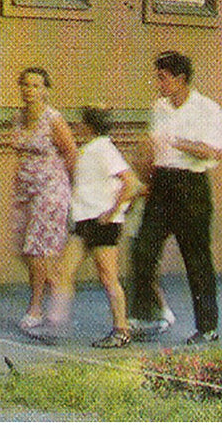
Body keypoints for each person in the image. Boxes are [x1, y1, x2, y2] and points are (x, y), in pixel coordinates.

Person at [128, 50, 222, 344]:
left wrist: (182, 144)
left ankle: (208, 327)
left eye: (163, 78)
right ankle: (147, 315)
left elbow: (219, 150)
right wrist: (143, 180)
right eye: (158, 77)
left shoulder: (207, 109)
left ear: (180, 79)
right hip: (162, 185)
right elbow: (153, 149)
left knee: (197, 259)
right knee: (143, 249)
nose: (159, 83)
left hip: (191, 186)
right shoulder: (159, 108)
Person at [43, 106, 144, 348]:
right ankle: (55, 325)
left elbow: (131, 184)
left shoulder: (104, 148)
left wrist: (113, 212)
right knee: (61, 272)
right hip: (84, 221)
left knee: (108, 277)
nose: (77, 127)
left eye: (80, 123)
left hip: (102, 223)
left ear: (89, 126)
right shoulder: (88, 150)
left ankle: (122, 330)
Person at [9, 66, 76, 331]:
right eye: (26, 85)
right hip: (25, 191)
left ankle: (35, 308)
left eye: (36, 86)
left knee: (37, 250)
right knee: (24, 248)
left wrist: (66, 187)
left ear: (45, 90)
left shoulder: (53, 119)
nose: (30, 90)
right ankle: (56, 285)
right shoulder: (18, 117)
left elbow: (71, 152)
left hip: (50, 190)